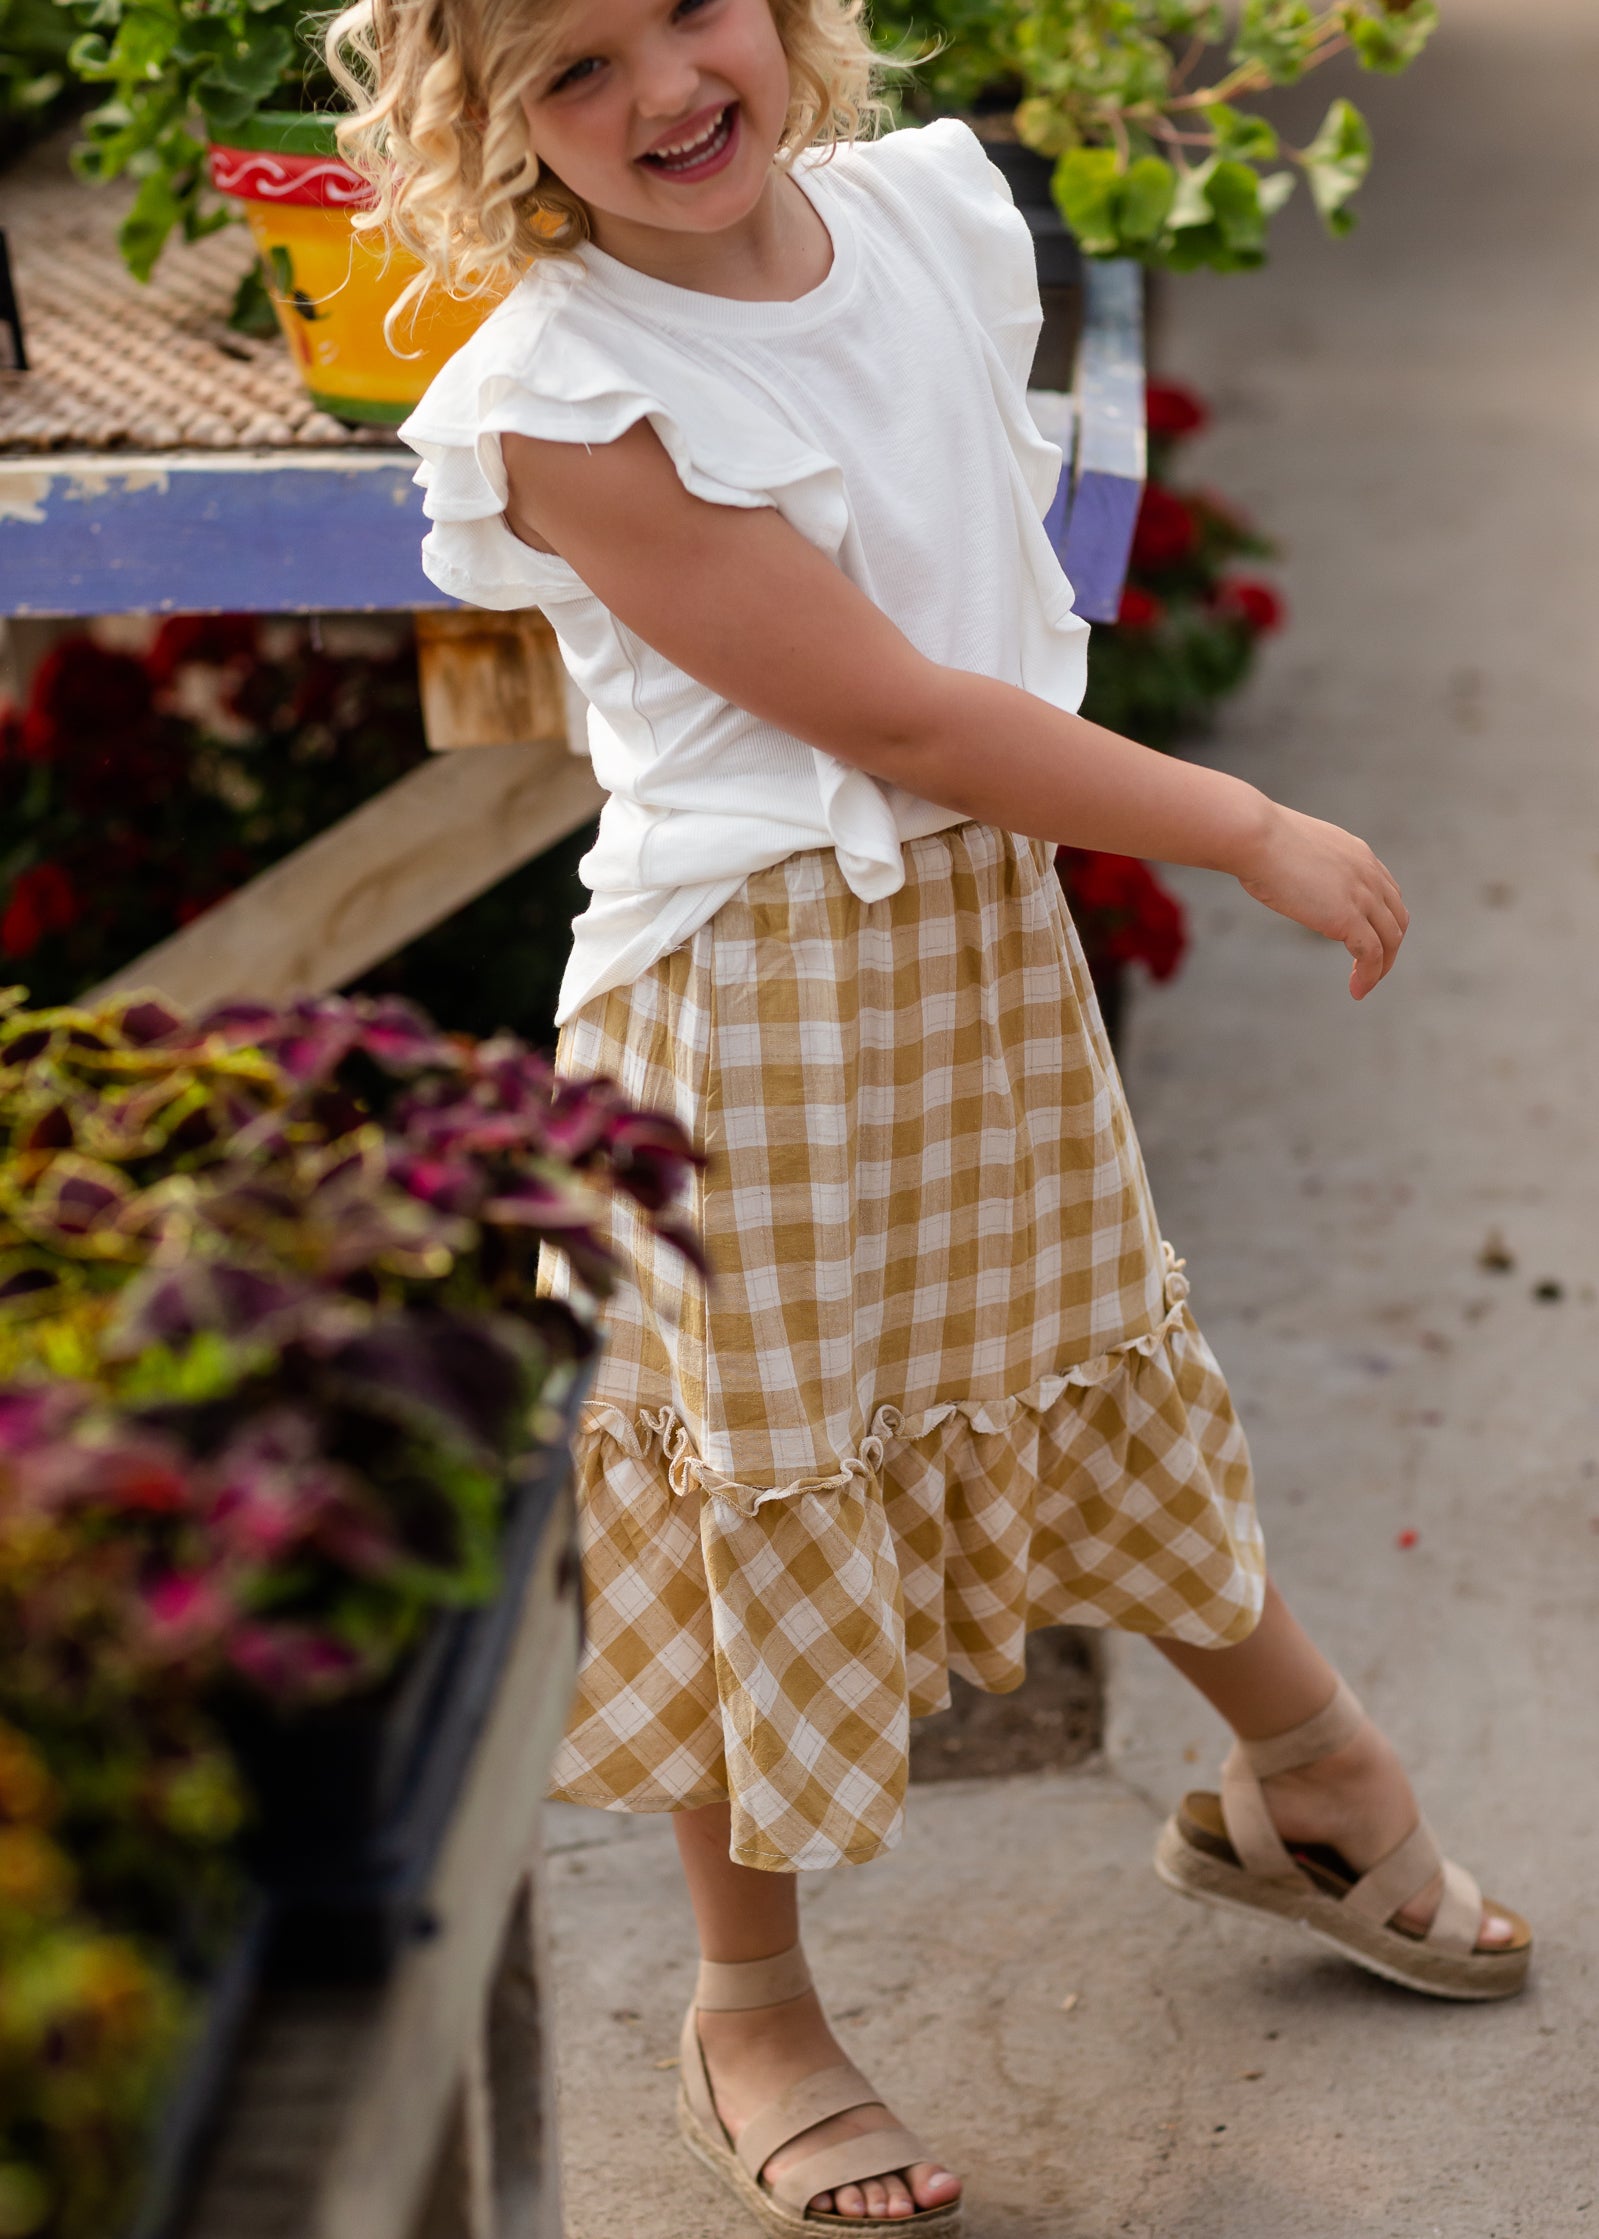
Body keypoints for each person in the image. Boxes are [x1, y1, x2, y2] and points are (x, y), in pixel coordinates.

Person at [329, 0, 1531, 2227]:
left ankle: (1304, 1774)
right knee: (759, 1476)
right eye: (568, 74)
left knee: (1093, 1366)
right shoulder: (570, 393)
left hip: (966, 944)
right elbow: (891, 709)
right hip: (745, 1000)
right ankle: (746, 2006)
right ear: (483, 128)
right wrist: (1233, 821)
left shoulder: (919, 214)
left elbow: (974, 587)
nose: (662, 93)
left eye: (689, 14)